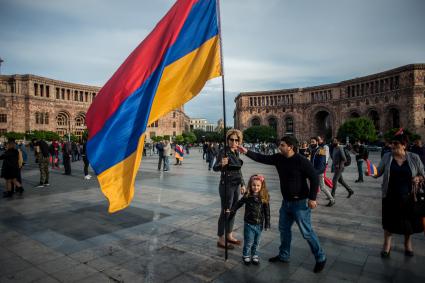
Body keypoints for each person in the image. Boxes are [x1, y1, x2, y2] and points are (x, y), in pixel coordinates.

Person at [238, 136, 327, 273]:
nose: (280, 147)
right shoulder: (279, 158)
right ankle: (284, 255)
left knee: (306, 232)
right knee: (284, 230)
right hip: (286, 203)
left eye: (283, 145)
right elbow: (262, 158)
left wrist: (312, 198)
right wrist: (246, 151)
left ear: (290, 146)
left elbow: (314, 178)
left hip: (300, 203)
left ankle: (320, 257)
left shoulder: (301, 161)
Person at [374, 133, 425, 257]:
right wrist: (370, 172)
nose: (392, 145)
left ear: (404, 145)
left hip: (408, 195)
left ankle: (407, 244)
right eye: (392, 143)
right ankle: (387, 245)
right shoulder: (387, 156)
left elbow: (423, 174)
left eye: (395, 144)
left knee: (408, 221)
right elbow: (378, 172)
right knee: (389, 221)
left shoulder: (414, 157)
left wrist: (418, 178)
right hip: (390, 194)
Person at [213, 129, 246, 249]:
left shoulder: (236, 152)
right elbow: (215, 168)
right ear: (227, 140)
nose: (234, 142)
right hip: (226, 185)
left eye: (236, 140)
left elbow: (238, 169)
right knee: (225, 211)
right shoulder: (224, 152)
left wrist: (242, 184)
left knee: (233, 210)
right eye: (231, 139)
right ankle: (221, 239)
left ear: (239, 141)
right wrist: (222, 164)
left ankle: (229, 235)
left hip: (236, 185)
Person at [231, 174, 270, 265]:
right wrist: (233, 209)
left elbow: (267, 211)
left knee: (257, 242)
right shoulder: (248, 195)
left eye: (258, 185)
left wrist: (267, 223)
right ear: (250, 185)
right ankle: (246, 255)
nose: (255, 187)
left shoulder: (264, 196)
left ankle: (255, 255)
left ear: (261, 186)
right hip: (249, 224)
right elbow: (239, 203)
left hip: (259, 224)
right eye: (254, 185)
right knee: (248, 242)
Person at [310, 137, 335, 206]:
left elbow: (321, 163)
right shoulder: (313, 150)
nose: (311, 143)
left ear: (317, 142)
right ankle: (312, 200)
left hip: (318, 172)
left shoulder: (321, 150)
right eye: (311, 142)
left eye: (313, 142)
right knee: (314, 186)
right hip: (314, 171)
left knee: (322, 187)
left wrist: (316, 172)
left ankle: (332, 200)